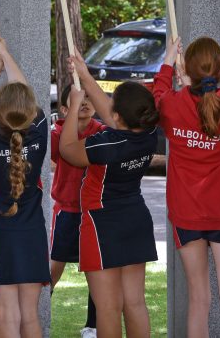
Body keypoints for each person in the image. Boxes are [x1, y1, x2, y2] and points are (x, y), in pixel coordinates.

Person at [152, 37, 220, 338]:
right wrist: (186, 78)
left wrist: (169, 61)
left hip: (187, 211)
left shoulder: (171, 105)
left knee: (198, 299)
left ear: (187, 73)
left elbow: (158, 94)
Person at [63, 54, 160, 338]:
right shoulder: (149, 133)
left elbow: (68, 149)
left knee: (107, 308)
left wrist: (72, 107)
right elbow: (112, 113)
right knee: (135, 303)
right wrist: (84, 73)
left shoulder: (107, 144)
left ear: (118, 117)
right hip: (135, 221)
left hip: (101, 223)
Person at [0, 36, 50, 338]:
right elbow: (25, 90)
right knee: (29, 316)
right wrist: (6, 55)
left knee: (7, 317)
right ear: (29, 111)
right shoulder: (39, 131)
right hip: (33, 235)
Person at [50, 84, 102, 338]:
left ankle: (92, 325)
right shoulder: (58, 133)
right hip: (67, 211)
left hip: (93, 212)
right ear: (63, 109)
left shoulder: (101, 132)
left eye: (88, 97)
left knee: (95, 270)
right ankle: (37, 315)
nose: (84, 102)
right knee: (53, 267)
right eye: (77, 97)